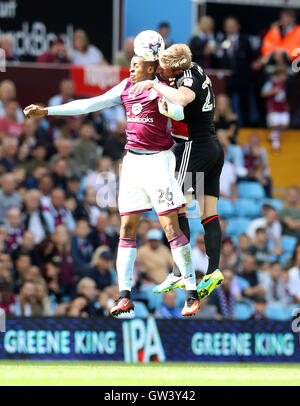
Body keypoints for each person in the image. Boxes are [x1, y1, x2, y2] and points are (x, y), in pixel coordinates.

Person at [23, 51, 200, 316]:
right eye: (130, 64)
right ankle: (124, 295)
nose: (130, 68)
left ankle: (191, 293)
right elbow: (90, 104)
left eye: (135, 65)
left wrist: (169, 108)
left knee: (171, 228)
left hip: (158, 164)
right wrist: (48, 111)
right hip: (131, 164)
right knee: (126, 228)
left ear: (151, 68)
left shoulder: (162, 88)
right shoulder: (127, 87)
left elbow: (178, 111)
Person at [131, 43, 224, 301]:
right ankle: (214, 270)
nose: (160, 69)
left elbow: (183, 98)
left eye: (163, 65)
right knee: (208, 213)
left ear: (174, 67)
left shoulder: (187, 80)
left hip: (193, 147)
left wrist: (153, 85)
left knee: (175, 207)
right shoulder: (194, 67)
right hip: (214, 148)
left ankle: (178, 271)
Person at [261, 66, 289, 151]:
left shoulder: (282, 84)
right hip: (273, 108)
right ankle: (276, 145)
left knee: (284, 125)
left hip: (282, 108)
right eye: (284, 75)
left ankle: (273, 136)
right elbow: (263, 93)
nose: (285, 77)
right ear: (280, 74)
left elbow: (282, 96)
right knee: (275, 126)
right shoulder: (270, 82)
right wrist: (273, 91)